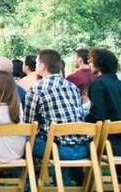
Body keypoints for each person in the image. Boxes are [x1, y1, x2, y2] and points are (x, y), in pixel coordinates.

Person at [23, 49, 88, 185]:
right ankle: (72, 180)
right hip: (83, 148)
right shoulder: (72, 87)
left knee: (25, 139)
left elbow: (28, 125)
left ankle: (29, 182)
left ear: (42, 66)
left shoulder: (36, 89)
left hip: (56, 148)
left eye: (36, 63)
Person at [85, 48, 121, 157]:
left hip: (111, 146)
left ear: (99, 64)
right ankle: (117, 175)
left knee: (76, 148)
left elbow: (98, 116)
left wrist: (82, 122)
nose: (89, 64)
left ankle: (78, 175)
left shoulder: (98, 85)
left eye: (90, 61)